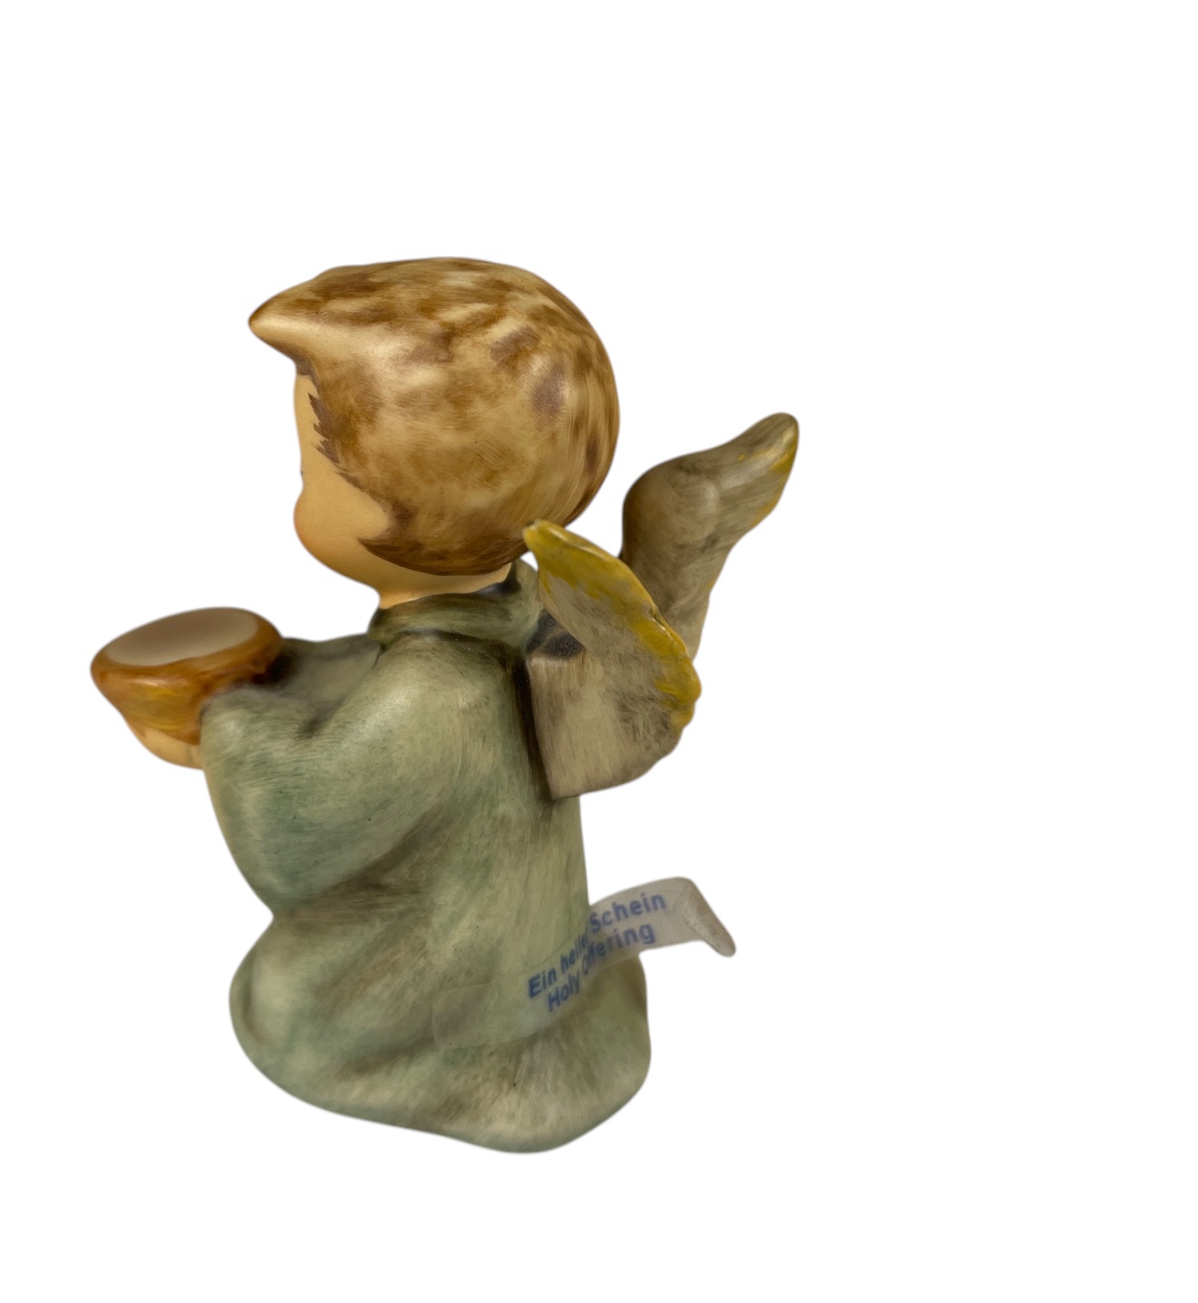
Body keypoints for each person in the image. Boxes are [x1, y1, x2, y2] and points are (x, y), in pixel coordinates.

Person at [92, 258, 797, 1150]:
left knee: (286, 1005)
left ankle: (446, 1057)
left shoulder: (436, 693)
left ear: (396, 507)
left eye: (312, 473)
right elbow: (377, 685)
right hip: (525, 947)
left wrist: (227, 722)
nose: (300, 490)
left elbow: (301, 838)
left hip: (443, 999)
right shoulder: (529, 607)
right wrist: (295, 671)